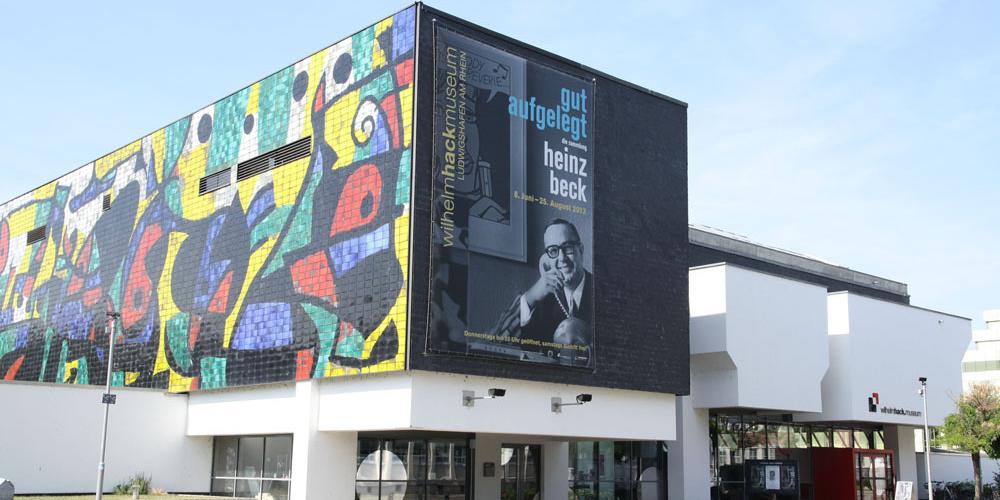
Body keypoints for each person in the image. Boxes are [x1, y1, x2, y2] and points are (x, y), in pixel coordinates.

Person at [493, 219, 592, 352]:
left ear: (581, 249)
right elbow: (497, 342)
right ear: (547, 258)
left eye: (568, 247)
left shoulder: (601, 291)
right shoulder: (542, 301)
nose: (561, 258)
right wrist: (530, 297)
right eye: (553, 251)